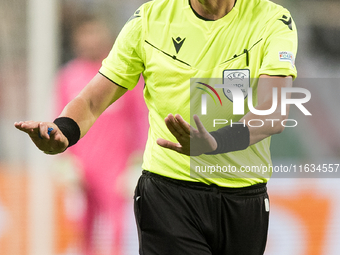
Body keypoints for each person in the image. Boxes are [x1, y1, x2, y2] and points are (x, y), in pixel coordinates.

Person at [15, 0, 298, 254]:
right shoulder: (148, 21)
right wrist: (65, 129)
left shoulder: (272, 20)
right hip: (168, 194)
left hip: (244, 197)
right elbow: (91, 101)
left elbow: (273, 112)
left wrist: (213, 142)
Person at [55, 17, 148, 255]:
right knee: (80, 228)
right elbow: (58, 118)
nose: (89, 40)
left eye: (94, 34)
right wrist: (65, 161)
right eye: (84, 35)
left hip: (116, 167)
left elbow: (140, 120)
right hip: (82, 167)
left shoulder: (121, 74)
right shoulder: (68, 77)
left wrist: (136, 162)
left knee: (116, 230)